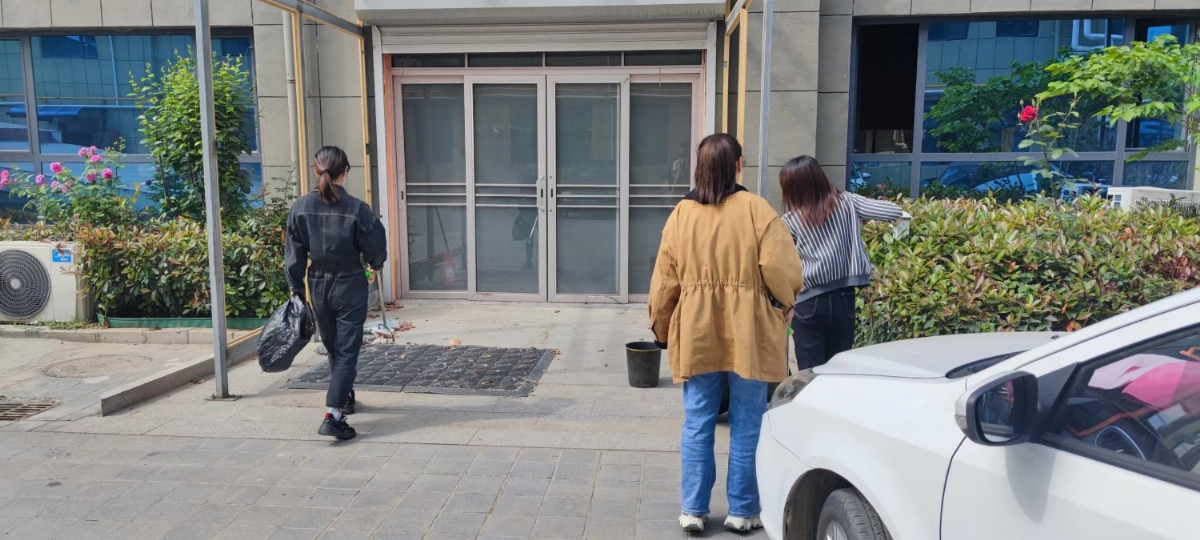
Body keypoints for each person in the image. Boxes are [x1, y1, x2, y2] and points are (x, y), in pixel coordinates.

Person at [649, 134, 804, 533]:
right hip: (748, 329)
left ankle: (693, 509)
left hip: (697, 329)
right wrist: (785, 304)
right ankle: (743, 510)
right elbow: (780, 268)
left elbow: (665, 281)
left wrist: (661, 328)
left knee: (697, 420)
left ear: (699, 168)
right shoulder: (757, 209)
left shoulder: (681, 215)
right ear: (737, 165)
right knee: (748, 420)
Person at [285, 146, 388, 441]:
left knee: (333, 346)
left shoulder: (300, 206)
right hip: (349, 282)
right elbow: (376, 248)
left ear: (316, 170)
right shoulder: (357, 208)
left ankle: (344, 394)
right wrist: (374, 264)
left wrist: (295, 288)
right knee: (346, 350)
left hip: (317, 283)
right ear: (345, 172)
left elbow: (293, 254)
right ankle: (333, 415)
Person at [778, 155, 903, 371]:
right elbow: (893, 211)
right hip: (844, 298)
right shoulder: (848, 202)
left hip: (808, 302)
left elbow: (783, 264)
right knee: (837, 370)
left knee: (810, 373)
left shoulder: (789, 221)